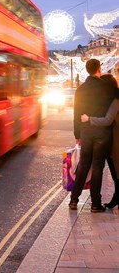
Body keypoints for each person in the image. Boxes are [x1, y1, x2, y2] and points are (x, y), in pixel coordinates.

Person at [69, 58, 118, 212]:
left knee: (84, 164)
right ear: (99, 69)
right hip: (102, 133)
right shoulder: (107, 87)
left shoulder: (80, 89)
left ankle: (74, 200)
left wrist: (77, 133)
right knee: (97, 166)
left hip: (86, 131)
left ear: (86, 69)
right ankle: (95, 204)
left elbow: (76, 113)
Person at [81, 74, 119, 210]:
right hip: (111, 142)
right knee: (115, 171)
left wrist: (89, 119)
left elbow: (108, 120)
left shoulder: (115, 100)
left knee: (116, 171)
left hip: (116, 142)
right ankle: (116, 196)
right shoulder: (109, 99)